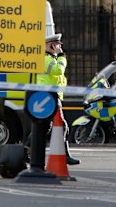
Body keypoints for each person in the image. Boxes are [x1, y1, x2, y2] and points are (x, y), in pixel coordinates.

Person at [37, 33, 80, 165]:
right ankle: (64, 156)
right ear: (51, 45)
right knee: (60, 126)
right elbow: (58, 71)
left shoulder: (50, 58)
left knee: (46, 126)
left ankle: (27, 150)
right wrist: (62, 57)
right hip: (49, 95)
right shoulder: (46, 59)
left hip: (52, 95)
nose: (60, 46)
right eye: (57, 44)